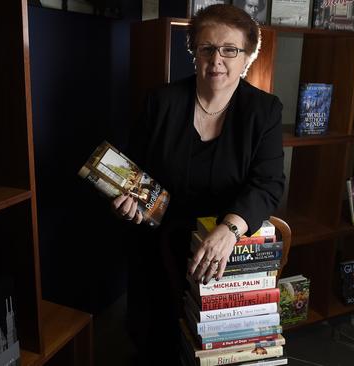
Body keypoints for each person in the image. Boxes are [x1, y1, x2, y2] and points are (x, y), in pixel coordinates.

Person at [112, 4, 284, 364]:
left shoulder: (264, 110)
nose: (217, 60)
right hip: (159, 245)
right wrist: (131, 202)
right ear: (194, 52)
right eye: (206, 48)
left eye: (229, 50)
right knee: (156, 347)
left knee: (213, 352)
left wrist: (229, 230)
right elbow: (135, 174)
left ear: (247, 56)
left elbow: (268, 185)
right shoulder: (161, 102)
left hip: (223, 251)